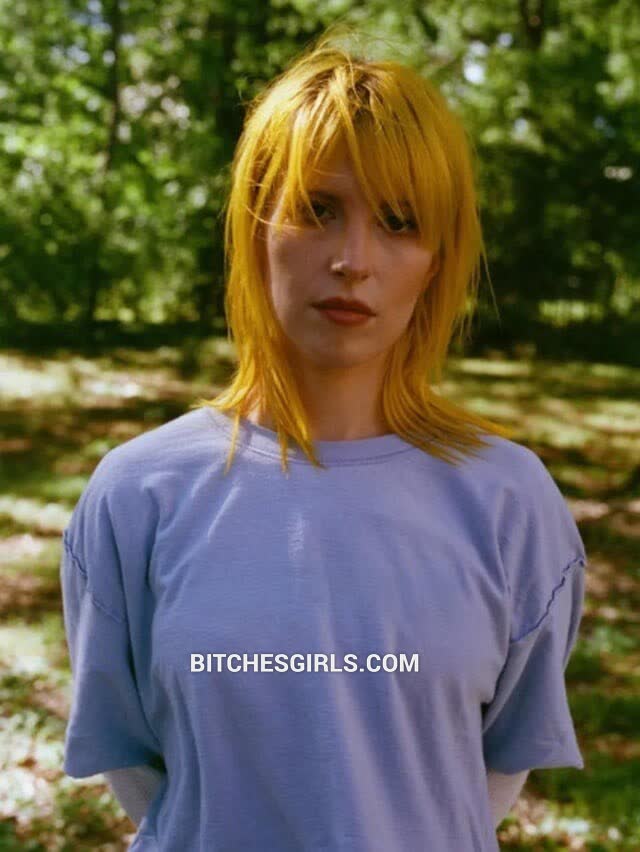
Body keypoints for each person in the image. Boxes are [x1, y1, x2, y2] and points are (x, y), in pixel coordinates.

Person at [60, 27, 588, 851]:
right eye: (318, 209)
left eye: (400, 221)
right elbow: (138, 768)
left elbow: (487, 773)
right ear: (257, 223)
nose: (353, 259)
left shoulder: (510, 502)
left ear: (437, 259)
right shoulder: (136, 495)